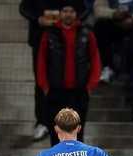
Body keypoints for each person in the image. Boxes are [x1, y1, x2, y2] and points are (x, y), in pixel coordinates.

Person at [36, 2, 101, 146]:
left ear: (76, 14)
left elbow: (95, 59)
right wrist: (45, 86)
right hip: (55, 91)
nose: (68, 14)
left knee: (78, 132)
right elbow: (41, 61)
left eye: (71, 11)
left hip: (79, 92)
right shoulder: (49, 34)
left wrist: (90, 86)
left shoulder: (87, 33)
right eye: (65, 11)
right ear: (60, 13)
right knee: (56, 133)